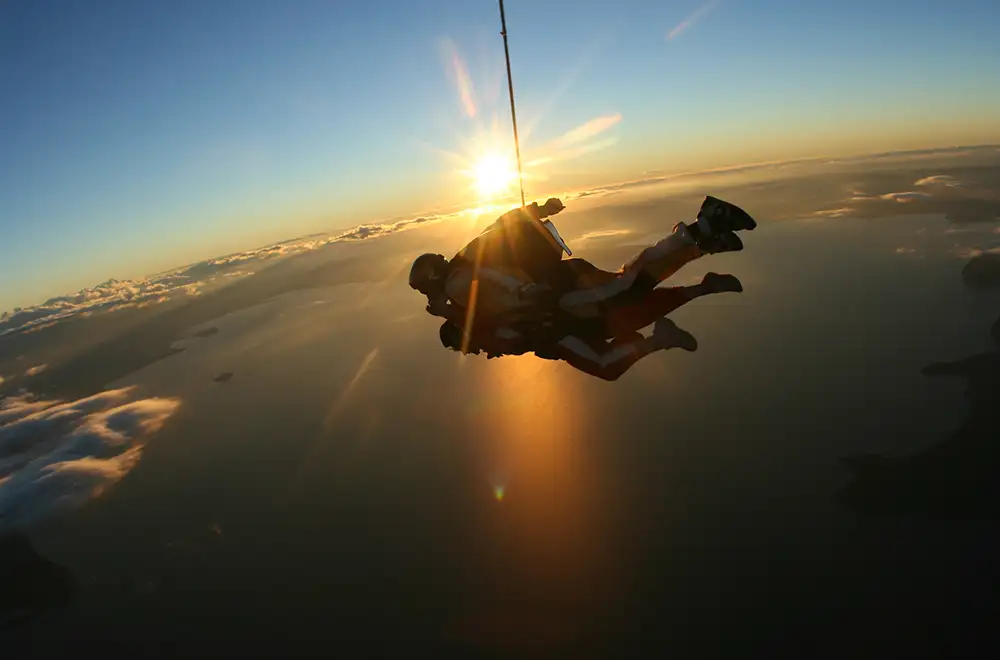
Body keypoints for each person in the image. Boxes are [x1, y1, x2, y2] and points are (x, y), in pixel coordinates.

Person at [408, 195, 756, 326]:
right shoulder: (465, 258)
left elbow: (489, 291)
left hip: (556, 290)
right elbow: (499, 227)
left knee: (628, 285)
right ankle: (703, 239)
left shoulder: (458, 281)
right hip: (559, 276)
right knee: (629, 282)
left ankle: (700, 231)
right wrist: (539, 210)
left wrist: (526, 292)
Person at [434, 271, 743, 381]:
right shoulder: (484, 328)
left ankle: (661, 337)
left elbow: (495, 335)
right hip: (563, 326)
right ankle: (702, 288)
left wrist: (448, 313)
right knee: (631, 309)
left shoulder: (483, 331)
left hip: (558, 333)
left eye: (462, 345)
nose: (471, 351)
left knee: (606, 361)